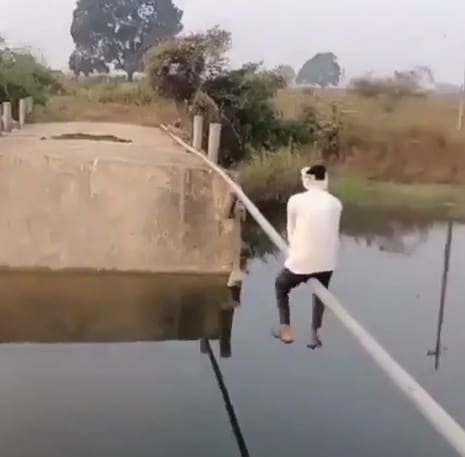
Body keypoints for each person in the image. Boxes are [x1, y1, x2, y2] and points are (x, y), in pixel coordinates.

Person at [273, 164, 342, 348]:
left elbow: (291, 232)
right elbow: (333, 235)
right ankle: (314, 333)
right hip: (327, 263)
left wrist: (293, 256)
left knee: (281, 285)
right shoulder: (336, 203)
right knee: (320, 293)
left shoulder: (295, 200)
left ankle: (286, 327)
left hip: (301, 262)